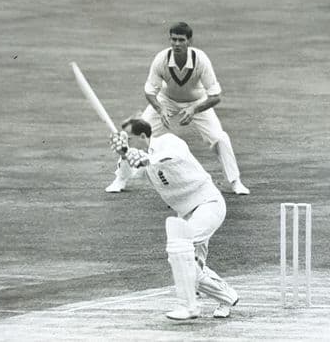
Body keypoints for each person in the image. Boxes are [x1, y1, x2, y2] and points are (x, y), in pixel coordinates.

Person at [110, 118, 240, 320]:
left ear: (143, 136)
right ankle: (226, 297)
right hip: (187, 214)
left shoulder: (167, 142)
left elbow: (174, 155)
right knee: (192, 267)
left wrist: (146, 159)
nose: (126, 141)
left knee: (180, 250)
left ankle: (189, 307)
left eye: (129, 138)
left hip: (208, 204)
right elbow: (126, 173)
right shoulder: (138, 156)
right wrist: (124, 154)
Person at [106, 22, 249, 195]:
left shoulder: (200, 60)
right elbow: (150, 91)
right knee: (134, 135)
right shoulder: (161, 59)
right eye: (173, 40)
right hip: (166, 101)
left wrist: (194, 109)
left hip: (197, 102)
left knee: (220, 138)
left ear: (189, 41)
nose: (176, 44)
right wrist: (160, 109)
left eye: (181, 40)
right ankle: (120, 178)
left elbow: (215, 96)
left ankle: (235, 182)